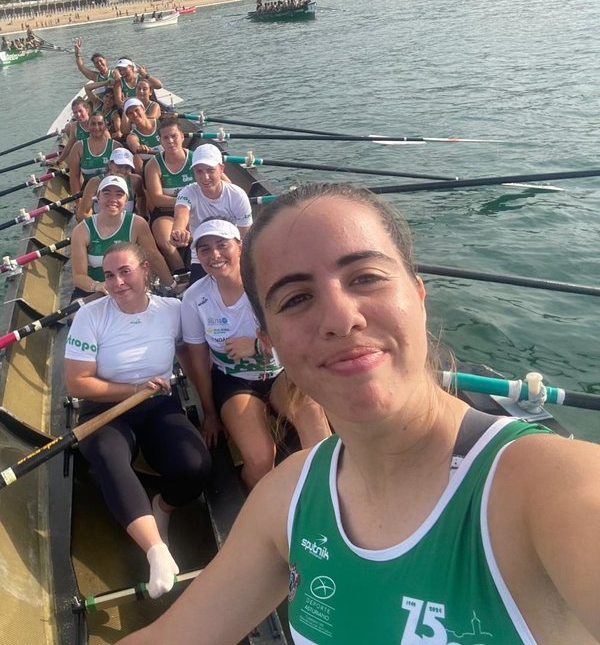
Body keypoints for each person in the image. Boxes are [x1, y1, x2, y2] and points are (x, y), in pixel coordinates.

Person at [118, 183, 600, 644]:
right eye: (296, 298)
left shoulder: (554, 487)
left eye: (365, 277)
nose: (340, 317)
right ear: (271, 339)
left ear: (419, 296)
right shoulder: (285, 500)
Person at [65, 242, 211, 599]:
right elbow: (77, 382)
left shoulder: (173, 310)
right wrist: (131, 389)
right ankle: (156, 551)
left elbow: (191, 351)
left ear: (146, 270)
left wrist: (210, 410)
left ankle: (161, 507)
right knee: (109, 458)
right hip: (105, 409)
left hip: (158, 403)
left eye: (125, 271)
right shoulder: (91, 315)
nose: (116, 282)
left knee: (196, 467)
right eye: (109, 275)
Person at [179, 219, 330, 490]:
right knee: (261, 460)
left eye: (222, 245)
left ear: (240, 247)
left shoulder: (268, 286)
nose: (214, 255)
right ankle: (259, 510)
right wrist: (210, 413)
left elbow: (301, 334)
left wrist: (257, 346)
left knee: (320, 439)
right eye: (204, 249)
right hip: (234, 382)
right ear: (198, 257)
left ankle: (320, 498)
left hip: (281, 373)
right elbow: (198, 359)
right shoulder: (194, 299)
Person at [69, 176, 173, 298]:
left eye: (119, 195)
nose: (113, 199)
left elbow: (154, 257)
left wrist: (172, 286)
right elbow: (78, 276)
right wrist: (97, 286)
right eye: (107, 194)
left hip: (129, 285)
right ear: (98, 198)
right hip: (95, 290)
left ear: (126, 200)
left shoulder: (137, 224)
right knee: (75, 314)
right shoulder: (81, 230)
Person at [170, 143, 253, 283]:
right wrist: (178, 231)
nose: (205, 177)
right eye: (199, 171)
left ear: (221, 169)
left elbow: (245, 237)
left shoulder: (237, 195)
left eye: (210, 170)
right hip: (203, 256)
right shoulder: (188, 193)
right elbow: (181, 215)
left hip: (231, 253)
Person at [143, 115, 195, 272]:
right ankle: (182, 274)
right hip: (166, 213)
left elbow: (224, 183)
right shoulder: (153, 165)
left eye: (174, 136)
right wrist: (185, 201)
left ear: (181, 136)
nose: (170, 141)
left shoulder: (195, 159)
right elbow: (157, 199)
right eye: (166, 138)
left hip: (195, 210)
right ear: (161, 141)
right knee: (167, 241)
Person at [76, 147, 145, 222]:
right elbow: (82, 214)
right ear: (110, 164)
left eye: (127, 167)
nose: (123, 171)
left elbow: (141, 197)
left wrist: (141, 215)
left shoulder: (135, 181)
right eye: (119, 166)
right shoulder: (95, 182)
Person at [63, 111, 121, 195]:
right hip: (88, 192)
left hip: (111, 191)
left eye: (100, 123)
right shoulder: (78, 147)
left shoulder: (116, 146)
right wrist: (78, 201)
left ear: (105, 126)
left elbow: (124, 174)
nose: (96, 127)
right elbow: (74, 177)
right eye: (93, 124)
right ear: (88, 126)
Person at [123, 98, 161, 172]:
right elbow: (133, 145)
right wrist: (139, 147)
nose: (135, 114)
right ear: (128, 118)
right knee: (136, 157)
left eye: (137, 110)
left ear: (143, 109)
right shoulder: (132, 136)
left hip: (171, 160)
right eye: (130, 113)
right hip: (152, 170)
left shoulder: (161, 123)